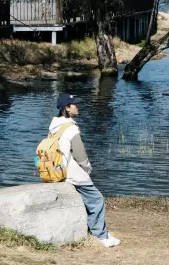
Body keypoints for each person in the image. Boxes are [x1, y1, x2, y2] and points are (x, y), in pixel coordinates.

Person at [49, 92, 120, 248]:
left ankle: (96, 231)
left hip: (56, 171)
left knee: (86, 200)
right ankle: (101, 236)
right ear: (67, 108)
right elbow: (80, 154)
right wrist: (87, 168)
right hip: (71, 173)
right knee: (97, 200)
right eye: (75, 105)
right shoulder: (71, 128)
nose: (78, 107)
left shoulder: (54, 125)